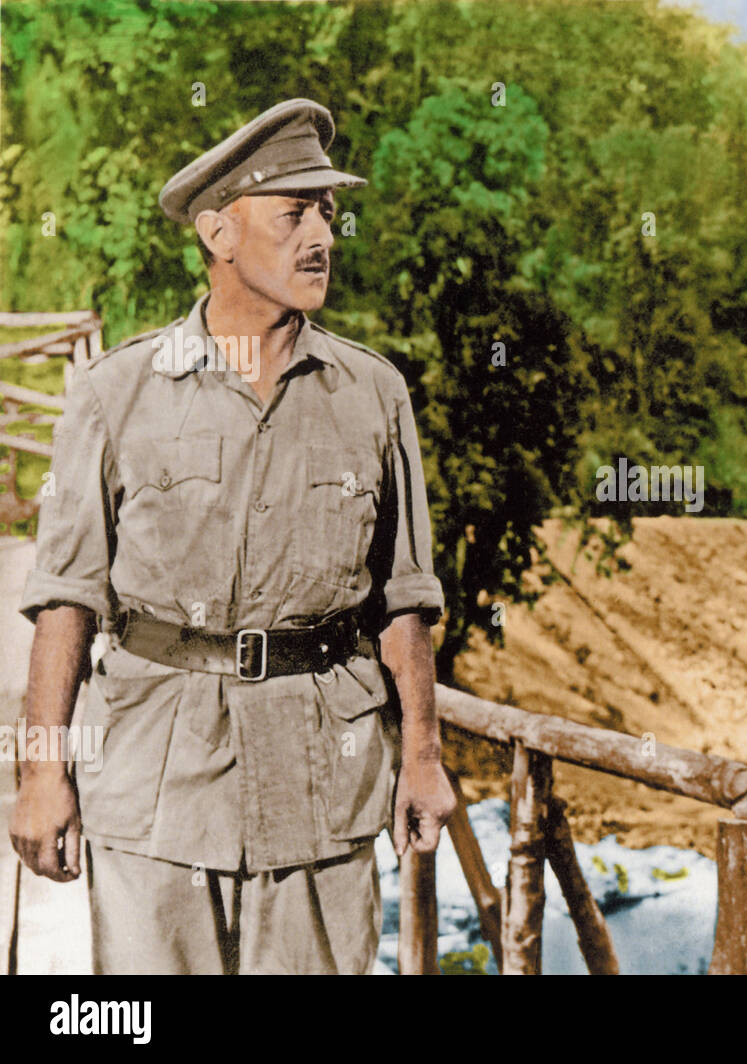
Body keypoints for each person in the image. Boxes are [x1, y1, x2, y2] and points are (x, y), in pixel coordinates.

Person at [9, 98, 457, 974]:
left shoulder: (373, 394)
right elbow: (64, 599)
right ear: (218, 233)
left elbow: (404, 601)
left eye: (327, 212)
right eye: (294, 214)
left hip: (320, 787)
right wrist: (40, 775)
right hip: (154, 785)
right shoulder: (116, 394)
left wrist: (424, 758)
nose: (321, 234)